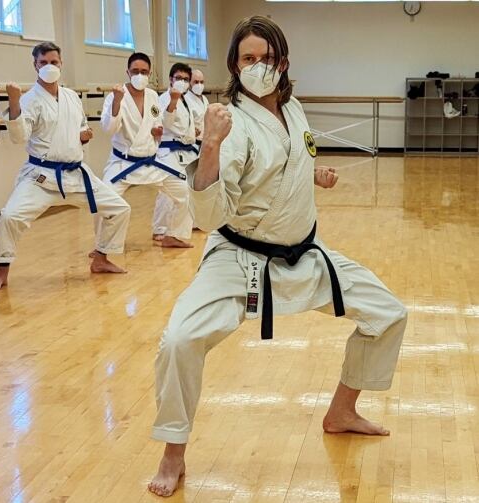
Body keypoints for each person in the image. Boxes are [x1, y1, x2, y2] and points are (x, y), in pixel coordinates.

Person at [148, 16, 407, 497]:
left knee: (389, 313)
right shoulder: (231, 123)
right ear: (234, 64)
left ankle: (342, 411)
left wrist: (314, 174)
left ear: (283, 63)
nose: (258, 67)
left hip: (305, 254)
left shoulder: (295, 109)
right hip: (240, 259)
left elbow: (288, 160)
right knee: (179, 340)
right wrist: (209, 145)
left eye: (267, 58)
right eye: (248, 58)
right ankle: (173, 451)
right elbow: (210, 212)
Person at [0, 42, 131, 292]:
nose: (49, 67)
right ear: (35, 65)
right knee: (10, 216)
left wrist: (84, 135)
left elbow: (81, 126)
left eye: (54, 62)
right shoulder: (29, 99)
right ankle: (1, 271)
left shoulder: (71, 96)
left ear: (61, 64)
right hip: (41, 177)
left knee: (120, 208)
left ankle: (101, 258)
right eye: (43, 63)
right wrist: (14, 101)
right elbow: (19, 138)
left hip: (75, 173)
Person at [97, 53, 192, 249]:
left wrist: (156, 131)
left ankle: (172, 235)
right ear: (127, 72)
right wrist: (116, 102)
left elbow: (157, 123)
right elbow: (109, 129)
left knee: (183, 191)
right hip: (123, 162)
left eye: (144, 72)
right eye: (135, 71)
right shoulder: (116, 95)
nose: (139, 75)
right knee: (104, 199)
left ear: (149, 74)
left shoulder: (152, 96)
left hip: (151, 162)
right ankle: (101, 246)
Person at [151, 68, 210, 238]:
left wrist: (193, 131)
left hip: (186, 151)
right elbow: (166, 122)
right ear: (170, 78)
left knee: (187, 191)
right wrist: (173, 101)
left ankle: (177, 230)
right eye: (179, 78)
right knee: (167, 193)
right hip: (168, 152)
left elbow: (185, 124)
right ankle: (160, 228)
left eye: (186, 79)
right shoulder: (163, 99)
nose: (182, 82)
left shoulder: (186, 100)